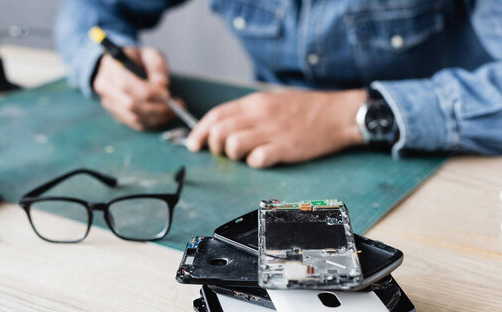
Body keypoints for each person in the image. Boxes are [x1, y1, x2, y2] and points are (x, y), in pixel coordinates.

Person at [55, 0, 502, 168]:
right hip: (265, 153)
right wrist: (103, 65)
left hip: (456, 165)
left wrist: (349, 115)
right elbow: (92, 7)